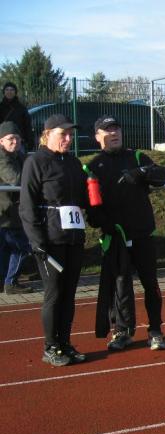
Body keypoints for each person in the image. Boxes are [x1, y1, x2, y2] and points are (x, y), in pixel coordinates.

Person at [86, 115, 165, 352]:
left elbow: (162, 176)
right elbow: (92, 206)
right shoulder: (94, 165)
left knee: (150, 284)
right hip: (115, 236)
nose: (114, 133)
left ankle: (155, 330)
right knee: (120, 286)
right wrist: (104, 224)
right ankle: (122, 331)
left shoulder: (137, 156)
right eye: (108, 130)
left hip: (142, 233)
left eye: (116, 129)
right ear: (98, 136)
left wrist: (141, 172)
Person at [19, 114, 88, 366]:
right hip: (50, 240)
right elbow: (26, 206)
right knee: (54, 293)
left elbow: (82, 200)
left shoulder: (74, 163)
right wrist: (36, 241)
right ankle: (50, 347)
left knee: (69, 293)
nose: (68, 139)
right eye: (63, 134)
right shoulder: (35, 162)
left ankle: (65, 343)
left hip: (74, 238)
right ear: (47, 134)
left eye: (71, 135)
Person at [0, 121, 33, 294]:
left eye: (18, 138)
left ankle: (5, 281)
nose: (15, 142)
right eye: (11, 138)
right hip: (7, 212)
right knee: (22, 247)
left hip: (11, 211)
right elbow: (15, 179)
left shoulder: (19, 155)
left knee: (7, 248)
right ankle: (10, 282)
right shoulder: (2, 159)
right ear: (1, 141)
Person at [0, 82, 34, 152]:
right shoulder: (0, 107)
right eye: (7, 89)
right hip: (3, 142)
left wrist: (30, 141)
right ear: (4, 92)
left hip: (18, 142)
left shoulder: (21, 108)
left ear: (15, 92)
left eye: (12, 90)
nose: (9, 92)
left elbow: (27, 125)